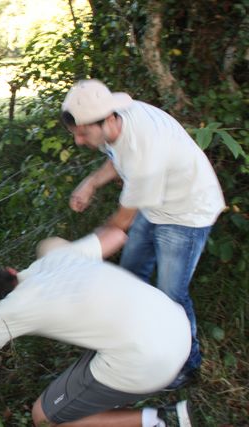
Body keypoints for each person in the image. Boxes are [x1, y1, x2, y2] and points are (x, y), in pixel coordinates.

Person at [61, 79, 225, 390]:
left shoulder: (144, 149)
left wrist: (83, 254)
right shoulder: (119, 121)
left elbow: (120, 223)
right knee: (132, 274)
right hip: (154, 208)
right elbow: (116, 156)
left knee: (171, 295)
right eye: (76, 134)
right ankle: (132, 342)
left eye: (84, 133)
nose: (79, 141)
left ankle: (187, 365)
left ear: (108, 119)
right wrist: (92, 183)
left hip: (186, 214)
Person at [0, 228, 193, 426]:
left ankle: (161, 419)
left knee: (43, 417)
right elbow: (116, 235)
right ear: (11, 271)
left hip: (152, 362)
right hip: (179, 327)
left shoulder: (9, 311)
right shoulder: (56, 258)